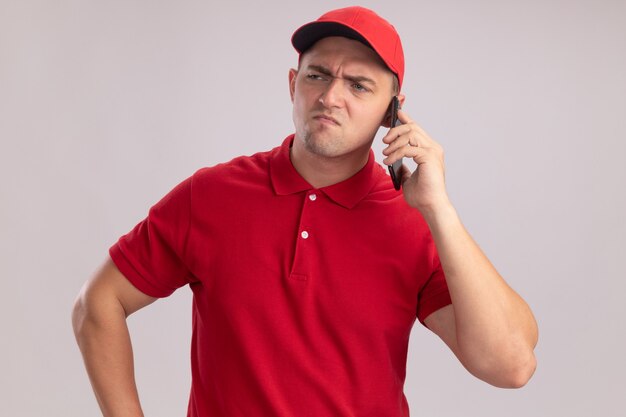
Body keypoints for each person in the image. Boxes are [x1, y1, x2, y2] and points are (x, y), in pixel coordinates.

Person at [72, 6, 538, 417]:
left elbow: (511, 365)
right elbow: (98, 303)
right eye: (318, 75)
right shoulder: (211, 196)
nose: (331, 97)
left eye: (359, 85)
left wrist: (440, 210)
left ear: (392, 112)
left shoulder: (416, 223)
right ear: (294, 84)